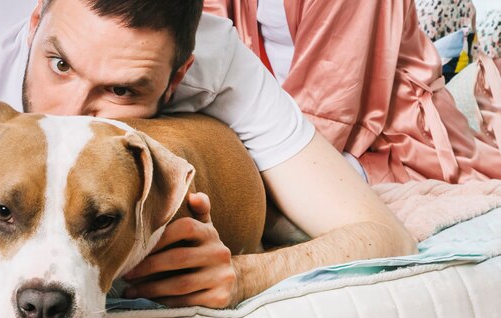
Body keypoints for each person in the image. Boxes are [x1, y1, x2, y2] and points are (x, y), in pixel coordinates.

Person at [0, 0, 416, 318]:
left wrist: (246, 275)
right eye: (59, 64)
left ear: (178, 77)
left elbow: (385, 235)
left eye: (121, 90)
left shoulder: (219, 63)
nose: (71, 114)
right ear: (36, 22)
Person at [204, 0, 501, 185]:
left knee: (297, 201)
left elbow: (328, 107)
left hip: (386, 135)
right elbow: (209, 42)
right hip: (293, 119)